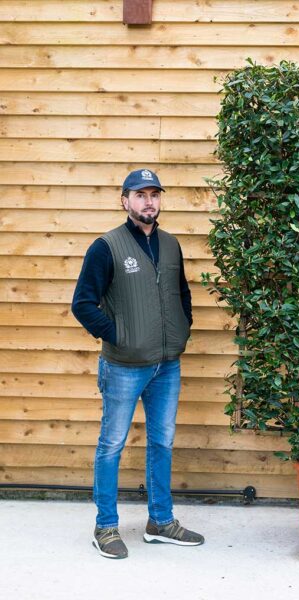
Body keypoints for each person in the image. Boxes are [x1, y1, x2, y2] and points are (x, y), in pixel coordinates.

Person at [72, 168, 204, 559]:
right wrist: (121, 336)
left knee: (162, 442)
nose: (149, 201)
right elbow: (82, 304)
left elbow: (182, 294)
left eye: (154, 194)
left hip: (167, 365)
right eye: (140, 194)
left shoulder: (171, 244)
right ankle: (106, 527)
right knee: (111, 445)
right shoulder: (106, 247)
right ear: (124, 200)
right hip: (124, 367)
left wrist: (181, 330)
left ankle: (160, 522)